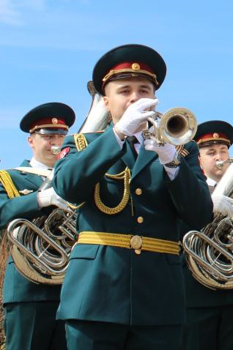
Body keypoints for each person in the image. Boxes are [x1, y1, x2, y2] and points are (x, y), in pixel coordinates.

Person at [52, 44, 215, 349]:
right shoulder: (82, 144)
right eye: (124, 90)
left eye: (144, 90)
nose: (135, 98)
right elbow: (67, 187)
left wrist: (171, 162)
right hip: (95, 295)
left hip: (159, 299)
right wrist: (117, 134)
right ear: (106, 100)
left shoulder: (182, 148)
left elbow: (200, 215)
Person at [0, 103, 74, 350]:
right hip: (28, 287)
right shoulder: (10, 177)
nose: (56, 142)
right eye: (48, 136)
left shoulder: (78, 179)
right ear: (31, 141)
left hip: (75, 286)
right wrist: (40, 199)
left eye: (61, 136)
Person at [181, 121, 233, 350]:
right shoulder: (188, 189)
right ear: (199, 159)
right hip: (196, 293)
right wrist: (204, 204)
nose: (219, 156)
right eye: (210, 152)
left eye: (223, 150)